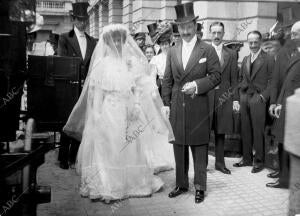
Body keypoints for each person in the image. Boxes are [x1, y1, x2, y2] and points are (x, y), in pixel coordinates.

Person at [63, 24, 175, 202]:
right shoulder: (102, 64)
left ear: (123, 41)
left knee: (131, 146)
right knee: (108, 146)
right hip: (109, 109)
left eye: (119, 39)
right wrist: (98, 115)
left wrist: (136, 104)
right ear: (107, 41)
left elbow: (138, 86)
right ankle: (109, 185)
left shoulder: (129, 62)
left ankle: (131, 182)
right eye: (113, 39)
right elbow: (96, 93)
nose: (116, 42)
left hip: (129, 109)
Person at [162, 2, 221, 203]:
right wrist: (166, 103)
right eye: (182, 27)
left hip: (199, 105)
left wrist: (197, 85)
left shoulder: (207, 50)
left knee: (199, 147)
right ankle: (181, 183)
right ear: (178, 28)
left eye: (189, 26)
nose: (186, 31)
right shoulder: (172, 50)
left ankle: (200, 187)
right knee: (179, 146)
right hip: (178, 105)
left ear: (195, 26)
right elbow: (167, 80)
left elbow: (216, 76)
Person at [57, 2, 97, 169]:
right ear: (73, 20)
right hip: (70, 86)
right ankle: (63, 158)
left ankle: (74, 156)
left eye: (85, 19)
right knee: (69, 121)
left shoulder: (93, 41)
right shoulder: (65, 38)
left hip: (85, 88)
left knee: (81, 121)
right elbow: (62, 62)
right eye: (79, 19)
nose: (83, 23)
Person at [233, 30, 274, 173]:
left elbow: (272, 81)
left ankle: (259, 161)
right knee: (245, 129)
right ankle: (246, 159)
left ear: (260, 42)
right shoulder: (245, 59)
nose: (253, 45)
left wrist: (263, 97)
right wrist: (240, 96)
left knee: (258, 130)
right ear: (247, 43)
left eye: (256, 42)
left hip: (258, 98)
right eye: (250, 42)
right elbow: (240, 79)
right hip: (245, 98)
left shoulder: (268, 58)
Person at [270, 21, 300, 189]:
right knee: (282, 141)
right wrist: (277, 102)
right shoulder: (287, 52)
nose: (291, 37)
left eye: (295, 34)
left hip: (295, 108)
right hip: (285, 105)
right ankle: (283, 177)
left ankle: (287, 179)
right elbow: (283, 82)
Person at [208, 21, 239, 175]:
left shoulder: (231, 54)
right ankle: (203, 164)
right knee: (204, 132)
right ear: (209, 34)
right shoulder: (203, 52)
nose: (216, 36)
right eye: (213, 32)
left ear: (223, 34)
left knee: (221, 131)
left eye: (219, 32)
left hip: (224, 98)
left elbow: (234, 80)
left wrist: (235, 101)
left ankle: (220, 163)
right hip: (206, 97)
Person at [150, 21, 172, 95]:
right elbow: (153, 76)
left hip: (173, 84)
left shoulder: (174, 56)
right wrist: (153, 89)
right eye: (162, 44)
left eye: (166, 44)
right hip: (161, 84)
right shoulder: (155, 59)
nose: (164, 46)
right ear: (160, 46)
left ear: (169, 44)